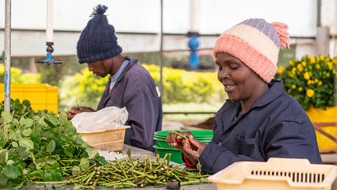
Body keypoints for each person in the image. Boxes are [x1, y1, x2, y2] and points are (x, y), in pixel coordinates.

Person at [166, 18, 322, 174]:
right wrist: (197, 154)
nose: (222, 75)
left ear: (259, 69)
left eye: (233, 66)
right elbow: (221, 164)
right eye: (220, 67)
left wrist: (210, 156)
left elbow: (286, 179)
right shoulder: (228, 112)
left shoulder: (286, 120)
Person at [67, 4, 162, 152]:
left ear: (103, 56)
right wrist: (90, 116)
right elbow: (113, 119)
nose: (90, 69)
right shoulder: (115, 79)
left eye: (90, 62)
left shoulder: (137, 80)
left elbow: (142, 138)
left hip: (138, 162)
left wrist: (95, 121)